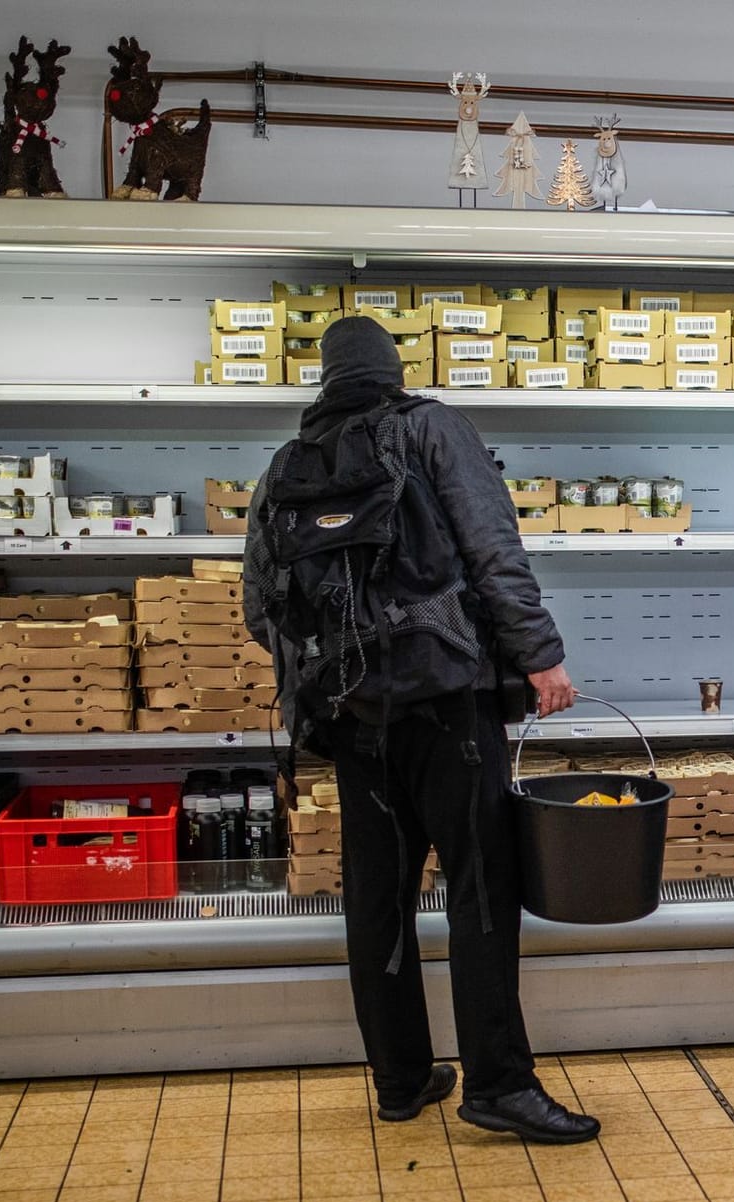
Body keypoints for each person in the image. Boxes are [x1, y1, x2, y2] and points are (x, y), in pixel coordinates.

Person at [244, 317, 599, 1143]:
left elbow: (260, 606)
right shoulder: (431, 427)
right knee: (480, 888)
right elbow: (493, 552)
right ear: (391, 368)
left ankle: (401, 1080)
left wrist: (341, 667)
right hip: (448, 705)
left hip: (348, 716)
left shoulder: (285, 466)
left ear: (324, 379)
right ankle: (499, 1085)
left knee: (377, 898)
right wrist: (541, 658)